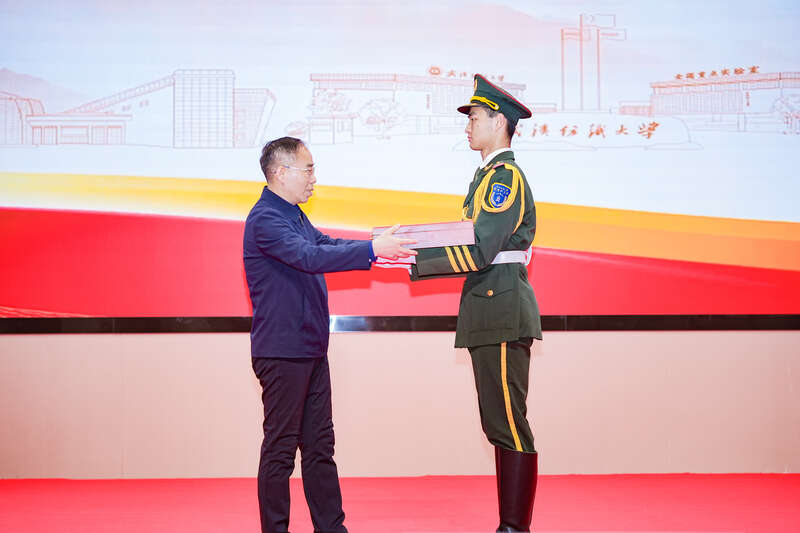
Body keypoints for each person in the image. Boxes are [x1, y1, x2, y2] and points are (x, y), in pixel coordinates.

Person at [243, 136, 415, 533]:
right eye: (308, 170)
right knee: (280, 451)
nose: (314, 179)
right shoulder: (266, 219)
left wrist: (376, 249)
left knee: (320, 447)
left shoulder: (293, 216)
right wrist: (372, 250)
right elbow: (309, 256)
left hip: (310, 348)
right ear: (281, 172)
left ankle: (332, 528)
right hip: (282, 352)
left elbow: (325, 244)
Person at [409, 74, 542, 532]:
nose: (468, 126)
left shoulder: (505, 178)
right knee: (497, 422)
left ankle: (514, 528)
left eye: (476, 118)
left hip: (501, 308)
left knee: (507, 422)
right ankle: (509, 526)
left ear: (499, 122)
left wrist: (415, 257)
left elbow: (481, 248)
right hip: (490, 307)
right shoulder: (486, 177)